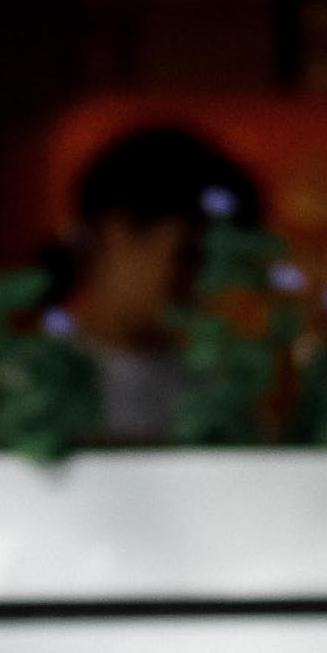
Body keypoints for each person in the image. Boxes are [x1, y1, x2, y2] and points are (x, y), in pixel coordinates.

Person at [54, 112, 263, 439]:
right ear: (116, 231)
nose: (202, 283)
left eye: (221, 266)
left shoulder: (217, 393)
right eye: (189, 256)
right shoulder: (34, 382)